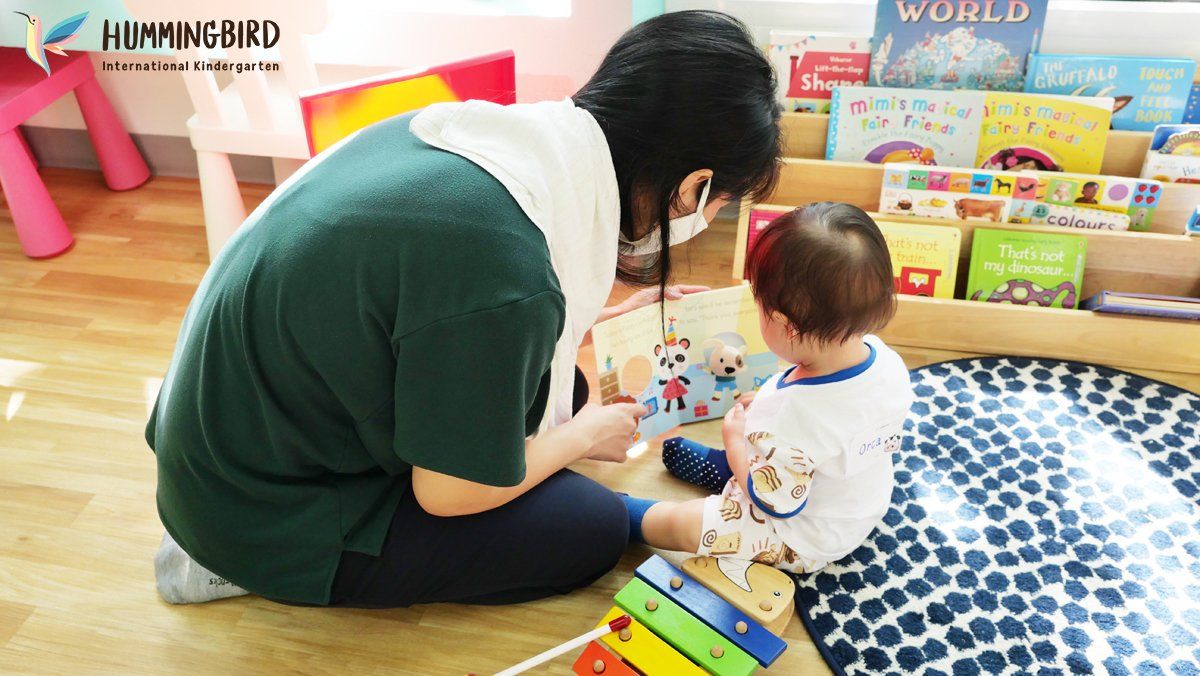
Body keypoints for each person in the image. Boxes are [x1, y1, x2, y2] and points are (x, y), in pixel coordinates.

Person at [147, 10, 782, 608]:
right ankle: (225, 563)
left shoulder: (487, 136)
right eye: (722, 201)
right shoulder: (505, 270)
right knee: (588, 528)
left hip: (240, 432)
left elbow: (430, 313)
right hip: (262, 508)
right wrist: (585, 434)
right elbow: (448, 493)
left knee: (564, 390)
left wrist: (595, 327)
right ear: (694, 187)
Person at [622, 203, 914, 574]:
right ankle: (736, 467)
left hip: (799, 536)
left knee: (686, 525)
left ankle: (619, 514)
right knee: (759, 459)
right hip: (855, 503)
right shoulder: (884, 360)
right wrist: (766, 404)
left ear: (783, 324)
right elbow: (835, 420)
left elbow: (774, 503)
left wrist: (733, 440)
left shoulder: (795, 417)